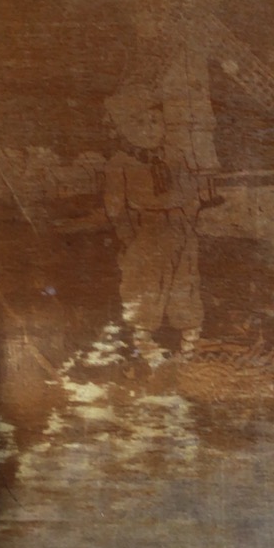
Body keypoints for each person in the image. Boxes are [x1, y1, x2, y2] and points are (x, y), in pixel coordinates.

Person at [103, 83, 204, 364]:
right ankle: (146, 348)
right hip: (147, 229)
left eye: (155, 121)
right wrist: (129, 238)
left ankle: (189, 345)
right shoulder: (120, 163)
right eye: (140, 123)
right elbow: (115, 206)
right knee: (145, 286)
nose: (150, 128)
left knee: (185, 282)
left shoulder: (176, 156)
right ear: (125, 129)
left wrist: (190, 221)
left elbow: (191, 192)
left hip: (181, 226)